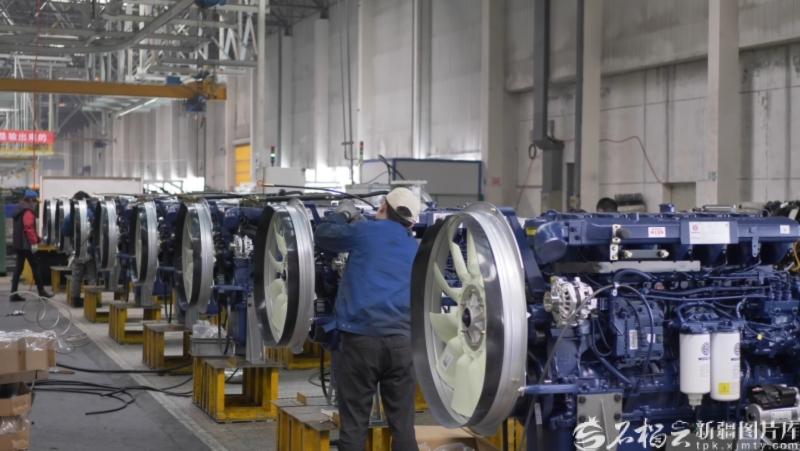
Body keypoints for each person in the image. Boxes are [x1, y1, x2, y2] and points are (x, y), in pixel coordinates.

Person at [315, 188, 421, 451]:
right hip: (402, 344)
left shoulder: (366, 232)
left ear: (383, 207)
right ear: (410, 223)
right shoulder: (415, 247)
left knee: (354, 425)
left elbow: (324, 235)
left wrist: (342, 214)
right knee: (403, 426)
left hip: (359, 341)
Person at [10, 190, 53, 301]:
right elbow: (28, 228)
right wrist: (34, 242)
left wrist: (38, 239)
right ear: (30, 200)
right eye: (35, 202)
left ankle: (13, 293)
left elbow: (26, 228)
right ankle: (41, 292)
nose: (35, 204)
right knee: (36, 267)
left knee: (18, 269)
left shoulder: (20, 209)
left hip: (19, 244)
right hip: (26, 245)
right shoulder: (28, 211)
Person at [67, 191, 96, 307]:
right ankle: (93, 300)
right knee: (92, 275)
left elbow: (64, 231)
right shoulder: (91, 213)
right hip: (89, 249)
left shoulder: (71, 215)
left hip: (77, 249)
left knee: (76, 276)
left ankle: (75, 299)